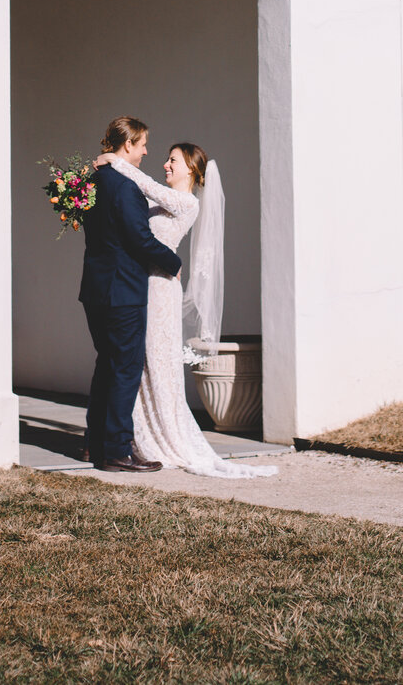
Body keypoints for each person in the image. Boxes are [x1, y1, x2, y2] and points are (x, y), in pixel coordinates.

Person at [92, 140, 277, 479]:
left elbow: (143, 185)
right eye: (166, 159)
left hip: (161, 290)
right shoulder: (160, 197)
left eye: (173, 160)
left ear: (191, 169)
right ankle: (125, 435)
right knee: (137, 363)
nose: (165, 164)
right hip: (138, 284)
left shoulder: (185, 202)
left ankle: (157, 435)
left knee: (156, 361)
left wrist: (115, 161)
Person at [79, 115, 183, 472]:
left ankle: (94, 444)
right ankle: (117, 451)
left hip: (94, 288)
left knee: (106, 365)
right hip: (122, 290)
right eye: (141, 145)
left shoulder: (94, 180)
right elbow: (139, 239)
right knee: (125, 369)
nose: (145, 152)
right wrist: (172, 261)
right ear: (127, 146)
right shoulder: (125, 186)